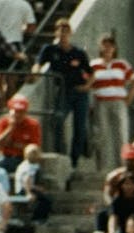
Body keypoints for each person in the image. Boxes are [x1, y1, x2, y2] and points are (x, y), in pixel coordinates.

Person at [33, 18, 92, 169]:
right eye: (60, 30)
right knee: (58, 121)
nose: (63, 34)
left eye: (66, 31)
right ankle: (61, 155)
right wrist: (35, 73)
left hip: (79, 93)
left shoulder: (78, 52)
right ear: (56, 32)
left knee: (80, 127)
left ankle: (74, 161)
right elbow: (38, 63)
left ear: (70, 33)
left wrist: (87, 86)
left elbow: (91, 73)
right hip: (63, 92)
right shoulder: (50, 49)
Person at [90, 33, 134, 172]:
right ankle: (101, 169)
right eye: (104, 45)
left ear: (114, 48)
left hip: (119, 102)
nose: (107, 48)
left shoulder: (122, 64)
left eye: (110, 45)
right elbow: (88, 83)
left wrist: (129, 98)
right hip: (101, 103)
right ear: (100, 47)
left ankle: (123, 168)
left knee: (121, 135)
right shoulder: (94, 64)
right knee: (101, 136)